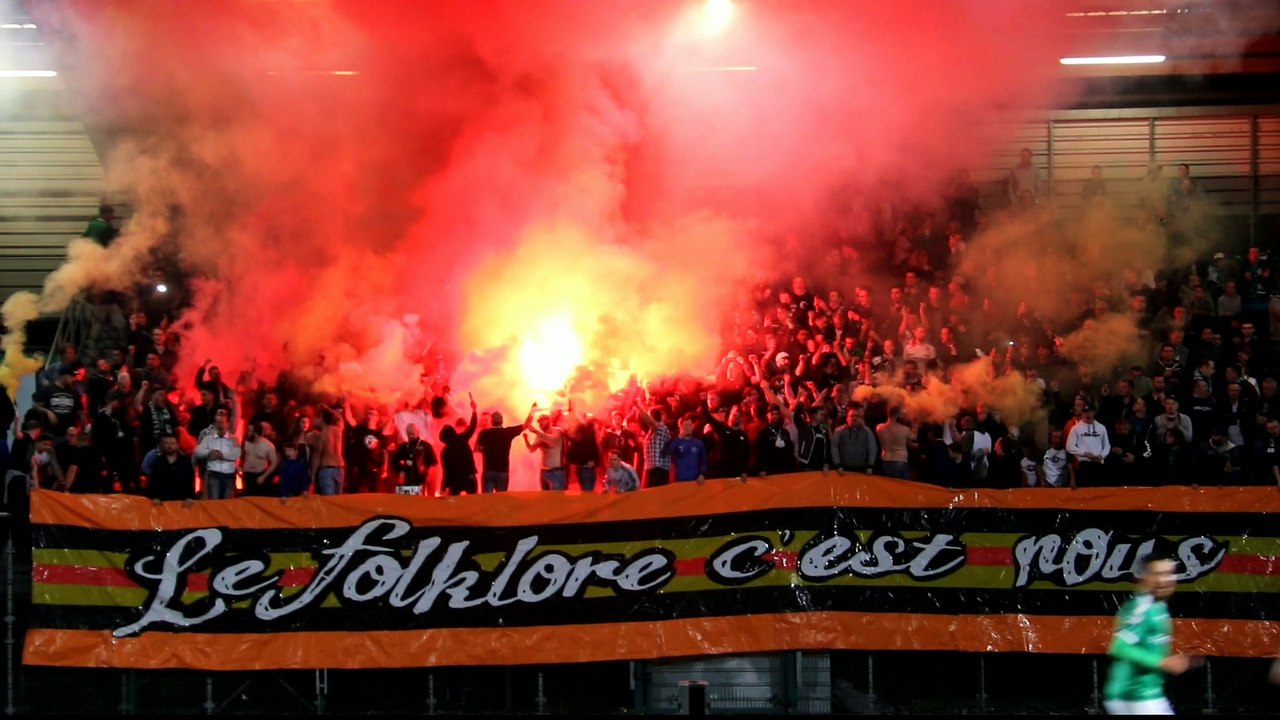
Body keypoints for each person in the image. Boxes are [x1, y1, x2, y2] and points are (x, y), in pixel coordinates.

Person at [1104, 555, 1200, 715]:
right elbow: (1118, 647)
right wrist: (1162, 662)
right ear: (1145, 577)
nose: (1164, 580)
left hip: (1147, 695)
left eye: (1169, 573)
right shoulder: (1142, 608)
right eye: (1157, 574)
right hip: (1134, 697)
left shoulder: (1158, 607)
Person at [439, 393, 479, 496]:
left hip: (455, 482)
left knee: (455, 507)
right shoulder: (462, 439)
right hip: (469, 478)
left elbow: (446, 472)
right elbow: (472, 427)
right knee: (474, 505)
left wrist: (443, 488)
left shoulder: (445, 451)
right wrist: (474, 410)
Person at [195, 409, 239, 500]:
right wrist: (209, 453)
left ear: (227, 423)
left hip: (228, 475)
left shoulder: (233, 438)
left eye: (222, 422)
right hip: (213, 473)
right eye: (218, 422)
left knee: (227, 501)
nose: (220, 424)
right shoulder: (207, 437)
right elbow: (198, 451)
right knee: (214, 501)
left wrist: (222, 456)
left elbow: (236, 454)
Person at [475, 411, 524, 493]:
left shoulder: (484, 433)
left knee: (487, 498)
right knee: (501, 498)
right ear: (502, 421)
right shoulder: (507, 432)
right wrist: (532, 411)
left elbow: (477, 449)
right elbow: (525, 425)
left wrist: (485, 450)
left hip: (489, 470)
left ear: (491, 421)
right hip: (503, 470)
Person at [143, 433, 196, 505]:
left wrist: (190, 497)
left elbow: (190, 480)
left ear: (178, 445)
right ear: (163, 445)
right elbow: (153, 481)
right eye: (167, 443)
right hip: (162, 502)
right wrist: (154, 497)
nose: (169, 445)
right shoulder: (158, 461)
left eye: (172, 443)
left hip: (182, 502)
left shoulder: (185, 462)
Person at [524, 404, 568, 491]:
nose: (540, 423)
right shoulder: (540, 436)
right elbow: (531, 449)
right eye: (539, 422)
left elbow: (552, 441)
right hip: (544, 472)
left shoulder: (557, 431)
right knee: (545, 499)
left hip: (557, 472)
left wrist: (536, 431)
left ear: (549, 420)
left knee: (557, 499)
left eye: (542, 420)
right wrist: (526, 439)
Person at [391, 423, 437, 489]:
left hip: (420, 481)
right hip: (405, 482)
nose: (410, 436)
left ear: (418, 432)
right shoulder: (403, 447)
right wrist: (400, 473)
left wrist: (426, 472)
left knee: (417, 499)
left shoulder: (426, 446)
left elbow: (434, 463)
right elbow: (394, 462)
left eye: (412, 434)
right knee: (404, 499)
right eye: (409, 434)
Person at [240, 421, 279, 497]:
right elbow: (240, 456)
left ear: (256, 432)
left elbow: (274, 463)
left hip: (260, 476)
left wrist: (264, 476)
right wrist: (239, 468)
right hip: (247, 474)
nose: (247, 432)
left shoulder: (268, 445)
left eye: (250, 431)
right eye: (247, 430)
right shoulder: (246, 442)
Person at [667, 413, 708, 484]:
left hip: (695, 481)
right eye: (685, 425)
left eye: (689, 425)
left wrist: (702, 474)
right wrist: (672, 480)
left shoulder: (699, 443)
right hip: (679, 482)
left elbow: (704, 461)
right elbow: (671, 462)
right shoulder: (674, 442)